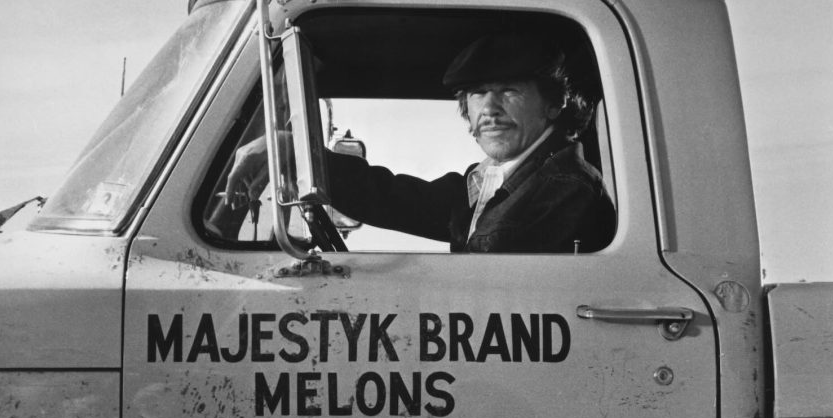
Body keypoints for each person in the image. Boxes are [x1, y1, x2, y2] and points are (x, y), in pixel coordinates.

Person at [225, 33, 616, 253]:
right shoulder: (495, 180)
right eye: (478, 93)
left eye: (509, 91)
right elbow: (398, 199)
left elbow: (485, 276)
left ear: (553, 104)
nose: (490, 109)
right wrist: (294, 151)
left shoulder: (564, 187)